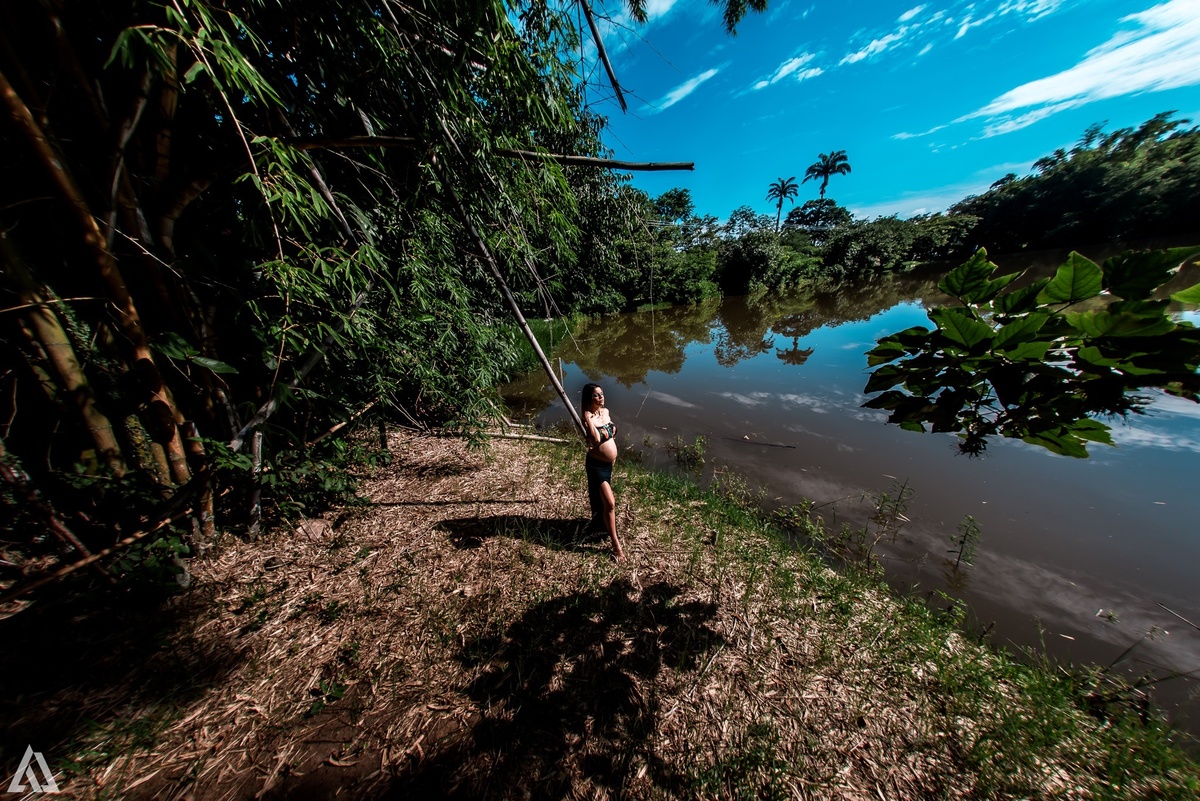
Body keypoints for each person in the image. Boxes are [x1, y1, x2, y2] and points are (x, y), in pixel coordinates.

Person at [581, 382, 625, 561]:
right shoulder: (588, 417)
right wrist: (587, 419)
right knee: (610, 503)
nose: (601, 397)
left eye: (602, 394)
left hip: (608, 465)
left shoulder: (605, 412)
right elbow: (597, 439)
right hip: (596, 466)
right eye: (596, 396)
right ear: (589, 399)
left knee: (604, 503)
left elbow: (612, 433)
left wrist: (612, 456)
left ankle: (601, 524)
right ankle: (616, 546)